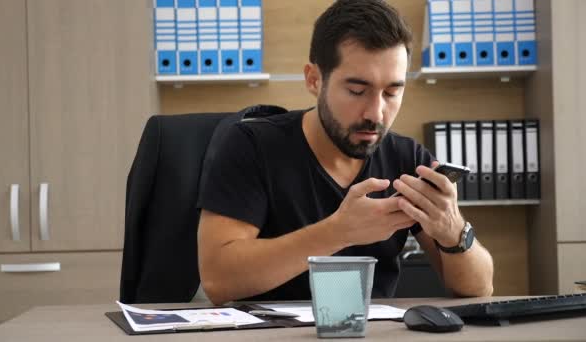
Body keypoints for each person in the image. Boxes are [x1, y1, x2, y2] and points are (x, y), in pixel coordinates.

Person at [197, 0, 493, 305]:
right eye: (356, 91)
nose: (376, 113)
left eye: (392, 92)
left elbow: (478, 289)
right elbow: (219, 279)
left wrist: (453, 229)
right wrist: (339, 232)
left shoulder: (409, 161)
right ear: (314, 79)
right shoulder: (251, 144)